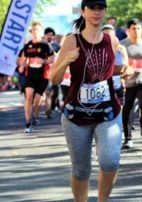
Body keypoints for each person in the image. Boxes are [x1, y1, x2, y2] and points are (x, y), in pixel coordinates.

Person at [50, 0, 131, 200]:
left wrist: (125, 71)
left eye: (100, 8)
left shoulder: (111, 39)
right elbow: (54, 78)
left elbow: (108, 71)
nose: (96, 12)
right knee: (80, 170)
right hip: (76, 115)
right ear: (83, 11)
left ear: (104, 11)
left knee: (110, 162)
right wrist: (66, 61)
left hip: (107, 112)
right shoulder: (71, 40)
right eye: (92, 8)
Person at [120, 18, 142, 149]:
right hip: (128, 83)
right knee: (127, 110)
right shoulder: (122, 44)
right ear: (128, 30)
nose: (136, 31)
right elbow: (118, 62)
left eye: (139, 28)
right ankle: (128, 138)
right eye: (134, 28)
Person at [18, 21, 54, 133]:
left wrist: (43, 60)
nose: (35, 32)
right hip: (30, 76)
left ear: (40, 32)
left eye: (37, 30)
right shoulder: (27, 45)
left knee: (38, 101)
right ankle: (28, 123)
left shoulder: (45, 45)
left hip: (43, 76)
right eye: (33, 30)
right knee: (28, 96)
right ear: (31, 32)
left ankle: (36, 115)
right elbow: (22, 60)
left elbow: (52, 59)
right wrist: (22, 66)